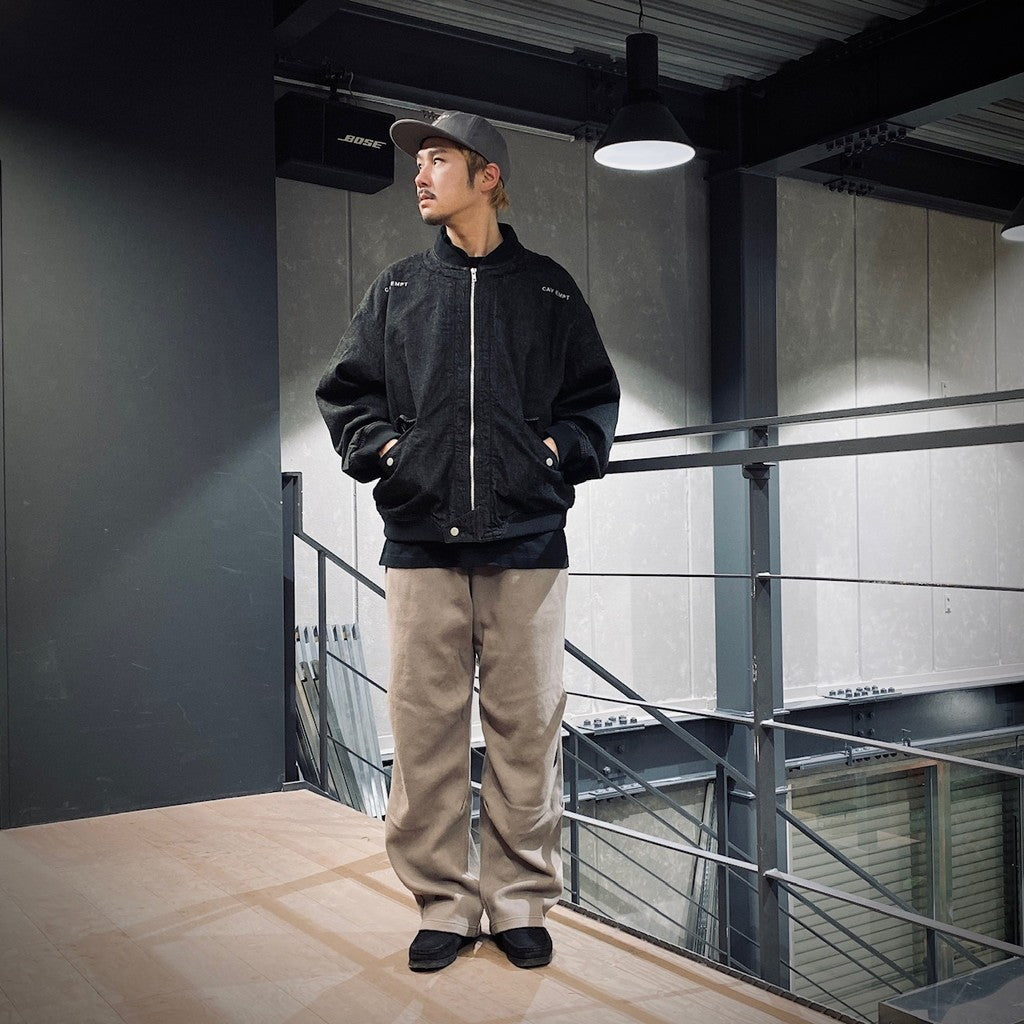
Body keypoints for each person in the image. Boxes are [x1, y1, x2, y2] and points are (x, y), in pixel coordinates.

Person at [315, 110, 619, 972]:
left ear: (488, 176)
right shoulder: (398, 290)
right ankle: (445, 904)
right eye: (419, 162)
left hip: (527, 544)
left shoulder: (550, 291)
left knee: (527, 734)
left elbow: (593, 399)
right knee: (425, 736)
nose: (419, 174)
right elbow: (347, 394)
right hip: (422, 545)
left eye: (438, 159)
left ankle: (518, 901)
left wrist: (555, 453)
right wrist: (388, 453)